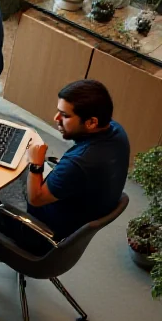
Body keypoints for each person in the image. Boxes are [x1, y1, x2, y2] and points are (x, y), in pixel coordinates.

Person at [21, 79, 129, 239]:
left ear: (92, 122)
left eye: (65, 115)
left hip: (41, 231)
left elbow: (35, 199)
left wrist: (36, 163)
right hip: (75, 214)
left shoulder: (79, 163)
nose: (56, 118)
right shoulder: (116, 131)